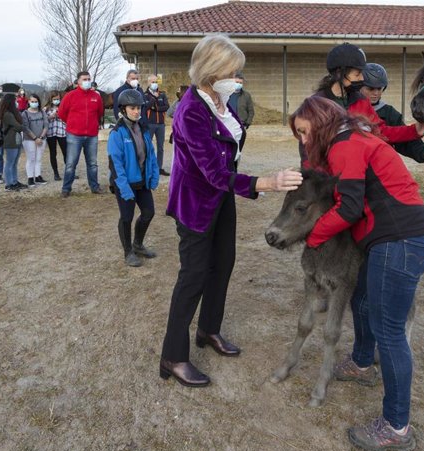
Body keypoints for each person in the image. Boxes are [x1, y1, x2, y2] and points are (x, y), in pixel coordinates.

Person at [290, 96, 424, 451]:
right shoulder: (354, 138)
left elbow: (350, 207)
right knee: (362, 297)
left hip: (399, 241)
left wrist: (315, 234)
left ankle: (396, 427)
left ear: (321, 123)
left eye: (305, 132)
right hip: (399, 239)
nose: (304, 142)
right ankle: (361, 363)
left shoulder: (346, 145)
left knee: (390, 332)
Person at [160, 34, 303, 388]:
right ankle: (173, 355)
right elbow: (213, 171)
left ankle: (208, 330)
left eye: (240, 73)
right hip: (195, 201)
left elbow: (228, 156)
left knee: (223, 264)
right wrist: (267, 183)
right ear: (212, 70)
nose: (239, 79)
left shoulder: (223, 103)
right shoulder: (191, 110)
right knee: (193, 276)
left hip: (220, 199)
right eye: (233, 71)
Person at [305, 43, 424, 166]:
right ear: (339, 73)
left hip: (358, 170)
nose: (362, 78)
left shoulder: (361, 101)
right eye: (357, 74)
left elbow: (380, 131)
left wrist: (415, 130)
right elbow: (309, 149)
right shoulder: (316, 105)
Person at [108, 89, 160, 267]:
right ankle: (128, 251)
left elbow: (151, 155)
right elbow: (115, 164)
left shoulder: (143, 129)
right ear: (123, 109)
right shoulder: (117, 133)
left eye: (139, 108)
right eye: (132, 108)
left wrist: (153, 177)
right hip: (126, 184)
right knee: (126, 218)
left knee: (148, 213)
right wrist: (123, 188)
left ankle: (137, 245)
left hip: (142, 182)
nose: (137, 111)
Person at [361, 63, 424, 163]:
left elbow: (405, 140)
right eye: (371, 88)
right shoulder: (346, 109)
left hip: (381, 166)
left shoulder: (389, 113)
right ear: (359, 87)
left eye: (379, 88)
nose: (376, 93)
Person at [58, 70, 106, 197]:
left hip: (91, 135)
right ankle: (66, 188)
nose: (87, 81)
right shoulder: (70, 96)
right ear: (78, 81)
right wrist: (72, 123)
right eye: (84, 79)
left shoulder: (96, 96)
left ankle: (94, 186)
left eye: (88, 79)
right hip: (74, 135)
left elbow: (100, 112)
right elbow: (61, 113)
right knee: (71, 163)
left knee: (92, 163)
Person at [0, 93, 27, 191]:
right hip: (11, 141)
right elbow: (18, 126)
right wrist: (25, 128)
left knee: (14, 163)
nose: (17, 102)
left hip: (17, 139)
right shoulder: (7, 114)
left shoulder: (13, 113)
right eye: (15, 100)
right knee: (10, 163)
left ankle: (14, 181)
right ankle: (9, 184)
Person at [143, 74, 170, 176]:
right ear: (148, 82)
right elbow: (145, 107)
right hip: (150, 124)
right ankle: (148, 168)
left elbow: (166, 106)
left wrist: (156, 109)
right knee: (148, 147)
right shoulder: (145, 95)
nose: (154, 84)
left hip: (161, 125)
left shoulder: (162, 94)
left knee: (160, 147)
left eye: (156, 82)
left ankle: (159, 168)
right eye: (152, 82)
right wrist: (153, 99)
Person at [21, 94, 49, 186]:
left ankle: (38, 176)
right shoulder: (25, 113)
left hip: (42, 139)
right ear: (29, 102)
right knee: (31, 158)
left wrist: (40, 137)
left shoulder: (42, 112)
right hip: (29, 140)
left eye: (36, 101)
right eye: (32, 101)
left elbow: (46, 125)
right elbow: (26, 127)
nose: (34, 103)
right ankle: (30, 178)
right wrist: (35, 138)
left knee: (38, 158)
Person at [44, 91, 67, 181]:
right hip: (51, 132)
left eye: (58, 99)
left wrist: (61, 116)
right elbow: (43, 120)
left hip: (62, 132)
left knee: (66, 152)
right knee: (53, 153)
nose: (56, 101)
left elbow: (68, 119)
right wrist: (50, 117)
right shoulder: (46, 109)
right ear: (51, 99)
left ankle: (69, 171)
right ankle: (56, 173)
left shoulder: (63, 107)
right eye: (54, 99)